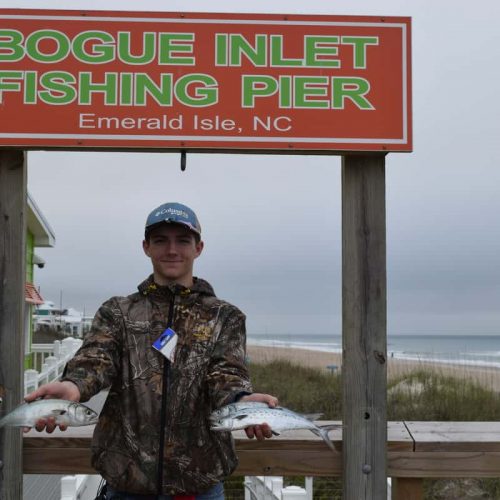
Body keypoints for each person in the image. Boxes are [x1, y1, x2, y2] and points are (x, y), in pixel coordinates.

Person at [25, 202, 278, 500]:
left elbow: (227, 374)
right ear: (146, 247)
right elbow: (97, 358)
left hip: (200, 486)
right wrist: (73, 385)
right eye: (161, 240)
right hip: (126, 484)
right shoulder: (117, 311)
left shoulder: (225, 317)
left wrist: (242, 400)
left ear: (199, 248)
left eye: (183, 240)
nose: (172, 250)